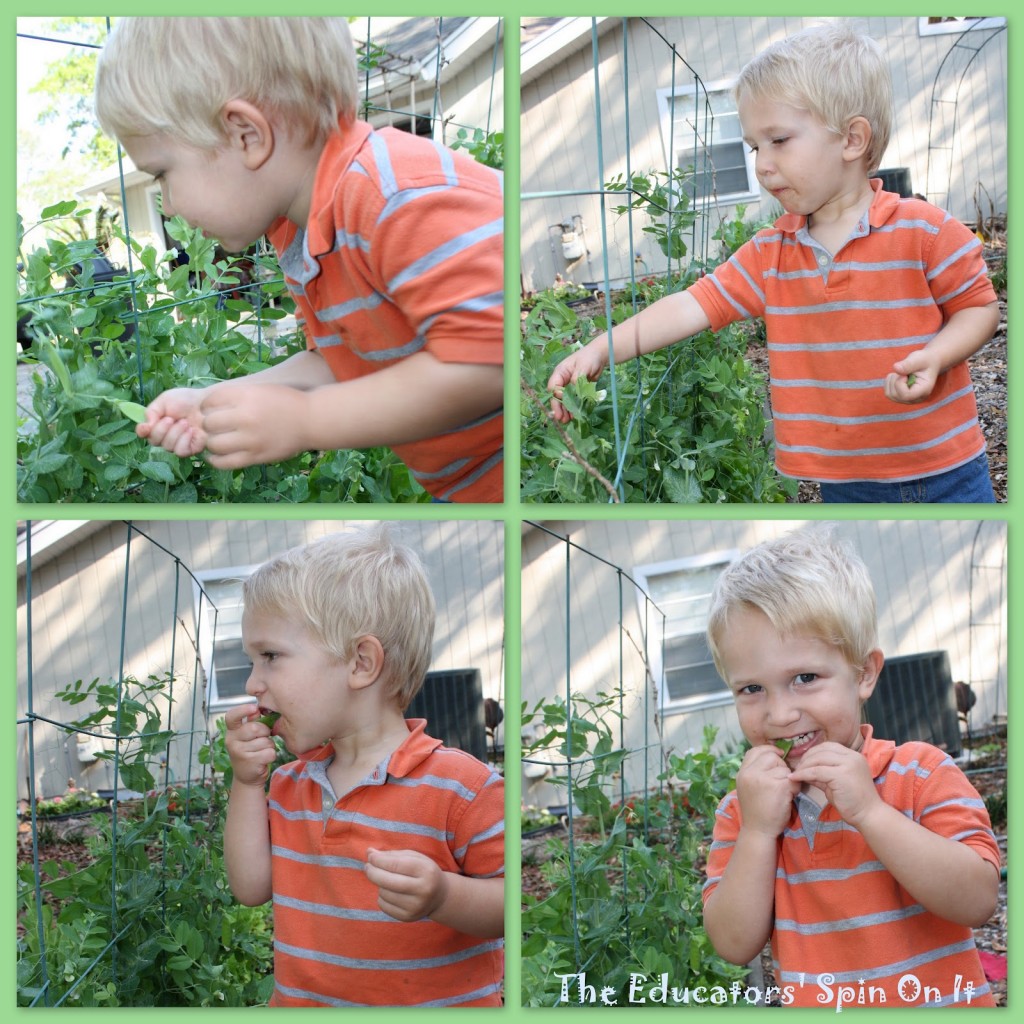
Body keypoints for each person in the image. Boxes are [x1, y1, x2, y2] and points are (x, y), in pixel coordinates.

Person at [548, 22, 1000, 503]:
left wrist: (937, 355)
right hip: (845, 485)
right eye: (753, 146)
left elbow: (979, 310)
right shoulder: (770, 254)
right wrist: (600, 348)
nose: (761, 164)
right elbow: (689, 306)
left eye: (778, 140)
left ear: (852, 139)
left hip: (949, 469)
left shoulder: (925, 231)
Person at [94, 17, 503, 502]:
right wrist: (214, 403)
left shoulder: (393, 196)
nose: (167, 206)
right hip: (462, 487)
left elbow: (488, 365)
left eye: (161, 174)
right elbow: (340, 362)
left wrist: (306, 421)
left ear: (247, 134)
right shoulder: (300, 230)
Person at [701, 531, 1000, 1007]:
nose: (778, 714)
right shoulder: (743, 811)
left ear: (863, 674)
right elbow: (734, 944)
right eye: (751, 689)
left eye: (804, 678)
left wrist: (871, 812)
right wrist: (759, 832)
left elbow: (978, 900)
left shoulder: (921, 773)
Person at [222, 525, 505, 1006]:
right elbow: (251, 888)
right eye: (253, 660)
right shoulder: (292, 784)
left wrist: (443, 897)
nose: (253, 683)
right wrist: (247, 783)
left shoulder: (464, 788)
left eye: (270, 657)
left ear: (360, 663)